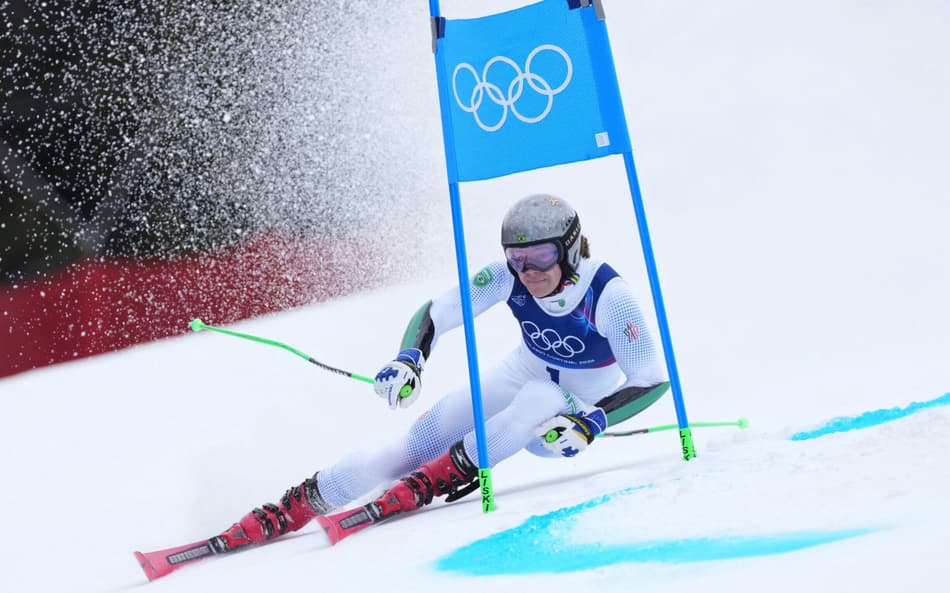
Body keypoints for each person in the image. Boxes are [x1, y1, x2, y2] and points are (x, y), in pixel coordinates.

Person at [215, 193, 667, 549]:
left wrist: (593, 422)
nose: (528, 271)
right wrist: (410, 357)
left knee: (539, 399)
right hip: (523, 370)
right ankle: (299, 504)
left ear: (568, 249)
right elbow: (439, 311)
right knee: (410, 446)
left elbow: (651, 380)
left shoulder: (608, 295)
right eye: (517, 258)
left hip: (569, 416)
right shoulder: (507, 276)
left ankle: (431, 481)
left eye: (542, 256)